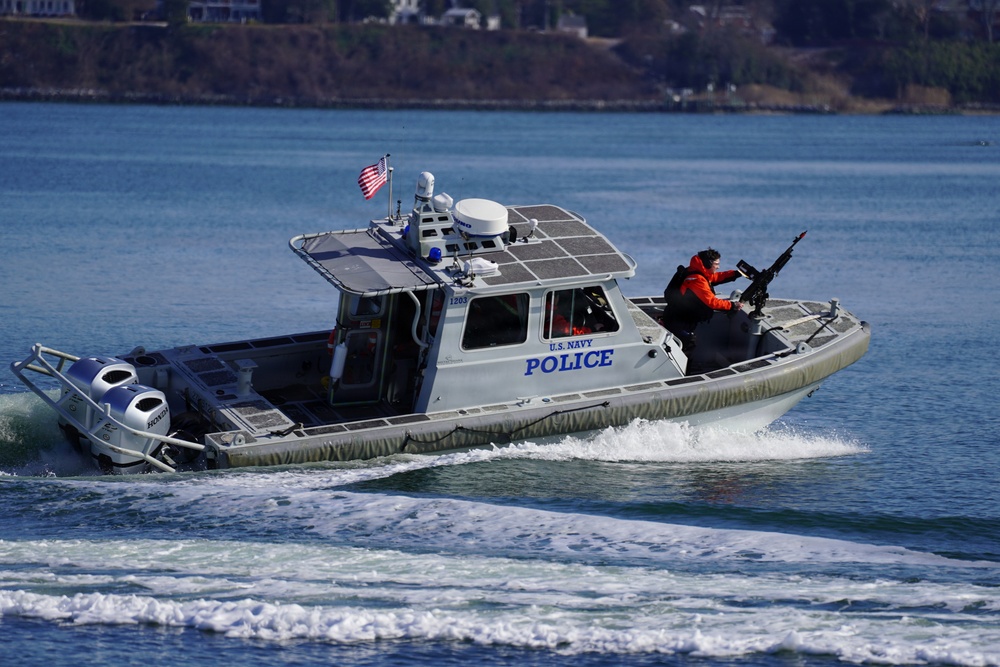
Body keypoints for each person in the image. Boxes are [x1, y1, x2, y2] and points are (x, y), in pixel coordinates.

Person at [661, 248, 743, 353]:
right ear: (708, 264)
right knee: (686, 348)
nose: (718, 267)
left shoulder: (696, 270)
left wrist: (735, 274)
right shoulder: (696, 279)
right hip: (680, 321)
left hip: (680, 317)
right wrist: (732, 305)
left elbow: (715, 277)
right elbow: (712, 302)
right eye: (716, 264)